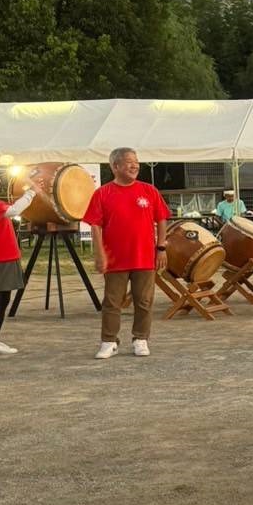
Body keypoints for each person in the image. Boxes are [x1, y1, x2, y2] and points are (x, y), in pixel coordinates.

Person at [83, 147, 171, 359]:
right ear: (115, 166)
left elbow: (161, 219)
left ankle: (140, 339)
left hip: (144, 256)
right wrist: (99, 254)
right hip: (115, 259)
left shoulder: (149, 190)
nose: (135, 166)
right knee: (112, 301)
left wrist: (161, 248)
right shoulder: (102, 193)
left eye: (136, 161)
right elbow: (95, 225)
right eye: (129, 162)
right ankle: (109, 341)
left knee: (144, 300)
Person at [0, 179, 39, 355]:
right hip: (2, 257)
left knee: (2, 299)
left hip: (5, 256)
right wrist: (31, 192)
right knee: (1, 299)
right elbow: (14, 210)